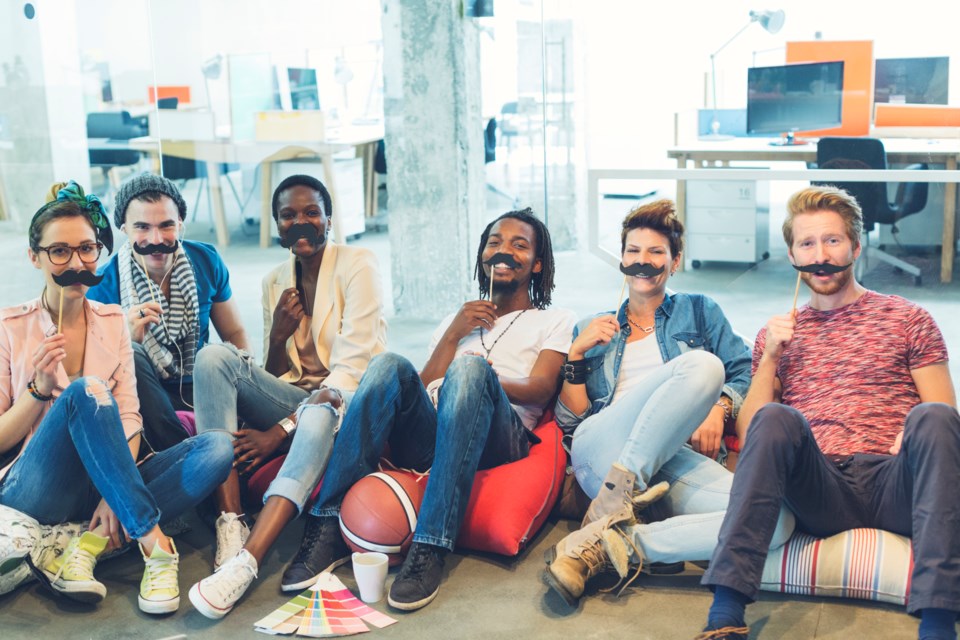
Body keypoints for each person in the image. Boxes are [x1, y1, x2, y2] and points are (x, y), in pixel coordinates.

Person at [276, 207, 576, 613]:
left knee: (470, 368)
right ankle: (326, 525)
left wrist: (478, 376)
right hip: (435, 433)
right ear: (481, 256)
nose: (503, 251)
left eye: (518, 245)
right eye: (494, 243)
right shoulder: (458, 320)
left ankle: (431, 545)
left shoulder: (553, 320)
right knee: (388, 364)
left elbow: (541, 387)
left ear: (537, 264)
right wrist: (454, 332)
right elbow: (418, 384)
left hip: (499, 437)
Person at [697, 186, 960, 640]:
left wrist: (913, 432)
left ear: (856, 247)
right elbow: (752, 430)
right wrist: (770, 360)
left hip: (895, 479)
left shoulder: (909, 318)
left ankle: (938, 622)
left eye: (833, 241)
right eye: (807, 243)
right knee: (778, 419)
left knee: (933, 418)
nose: (821, 255)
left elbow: (945, 412)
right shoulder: (776, 333)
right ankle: (726, 612)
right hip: (822, 488)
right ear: (793, 254)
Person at [543, 199, 794, 606]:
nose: (643, 261)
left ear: (674, 261)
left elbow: (743, 373)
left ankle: (613, 542)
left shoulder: (699, 311)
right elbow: (573, 424)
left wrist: (719, 407)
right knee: (702, 366)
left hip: (668, 461)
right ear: (622, 260)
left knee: (775, 516)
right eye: (633, 251)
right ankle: (616, 500)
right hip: (602, 451)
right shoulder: (593, 327)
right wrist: (575, 356)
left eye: (656, 252)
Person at [0, 181, 233, 613]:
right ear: (34, 257)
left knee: (217, 447)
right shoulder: (9, 327)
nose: (76, 262)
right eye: (60, 251)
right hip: (34, 488)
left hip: (99, 490)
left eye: (87, 249)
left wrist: (114, 492)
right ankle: (153, 543)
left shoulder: (111, 322)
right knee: (87, 389)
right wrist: (38, 391)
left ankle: (82, 543)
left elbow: (129, 417)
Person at [187, 174, 387, 619]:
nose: (301, 223)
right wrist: (277, 338)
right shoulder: (275, 280)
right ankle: (232, 522)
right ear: (277, 224)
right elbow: (277, 376)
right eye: (288, 215)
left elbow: (349, 373)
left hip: (350, 401)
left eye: (311, 212)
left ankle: (247, 563)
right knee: (214, 356)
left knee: (316, 415)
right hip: (299, 396)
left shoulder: (359, 264)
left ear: (328, 219)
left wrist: (280, 431)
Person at [87, 174, 250, 454]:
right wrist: (126, 339)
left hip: (202, 384)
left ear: (180, 225)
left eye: (166, 226)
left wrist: (245, 387)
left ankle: (206, 456)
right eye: (142, 227)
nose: (156, 239)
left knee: (218, 357)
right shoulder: (102, 284)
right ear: (124, 228)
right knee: (133, 355)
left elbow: (234, 333)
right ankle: (194, 455)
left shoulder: (206, 260)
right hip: (144, 395)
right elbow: (93, 374)